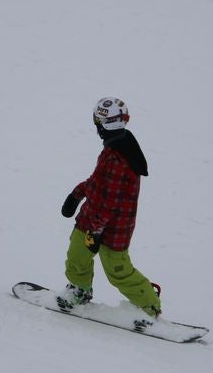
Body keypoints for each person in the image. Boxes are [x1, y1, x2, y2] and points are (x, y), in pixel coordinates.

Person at [57, 97, 162, 320]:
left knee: (118, 271)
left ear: (107, 123)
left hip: (114, 227)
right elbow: (98, 182)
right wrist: (76, 194)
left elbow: (109, 202)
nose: (95, 124)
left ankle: (148, 305)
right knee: (77, 256)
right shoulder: (115, 147)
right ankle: (79, 291)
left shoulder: (119, 157)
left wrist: (95, 231)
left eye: (98, 120)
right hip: (91, 218)